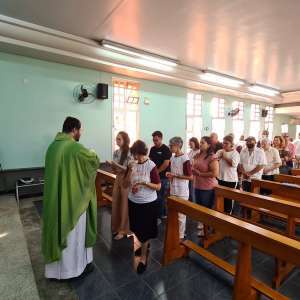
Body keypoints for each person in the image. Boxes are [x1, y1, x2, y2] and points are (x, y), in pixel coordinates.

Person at [42, 116, 100, 280]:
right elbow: (93, 161)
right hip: (73, 202)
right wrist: (94, 152)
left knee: (56, 228)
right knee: (73, 235)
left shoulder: (52, 147)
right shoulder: (75, 148)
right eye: (80, 130)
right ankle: (72, 270)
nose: (80, 133)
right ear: (74, 130)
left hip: (55, 200)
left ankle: (55, 271)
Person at [124, 140, 161, 274]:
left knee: (145, 230)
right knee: (136, 228)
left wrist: (145, 183)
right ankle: (145, 244)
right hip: (134, 201)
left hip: (148, 203)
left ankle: (144, 257)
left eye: (138, 155)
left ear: (143, 153)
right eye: (134, 155)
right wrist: (130, 170)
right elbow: (125, 184)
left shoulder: (151, 165)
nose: (136, 158)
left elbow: (158, 186)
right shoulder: (132, 164)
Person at [166, 137, 192, 240]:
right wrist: (170, 176)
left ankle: (180, 236)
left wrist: (174, 175)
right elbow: (173, 174)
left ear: (178, 146)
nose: (170, 147)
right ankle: (174, 233)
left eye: (171, 145)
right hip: (173, 188)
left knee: (181, 216)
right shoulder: (172, 158)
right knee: (173, 213)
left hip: (182, 190)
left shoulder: (185, 159)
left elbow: (190, 177)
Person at [192, 136, 219, 236]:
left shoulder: (212, 156)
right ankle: (202, 225)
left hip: (208, 187)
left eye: (203, 143)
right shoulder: (198, 155)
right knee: (199, 207)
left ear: (208, 144)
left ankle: (207, 228)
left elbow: (215, 173)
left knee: (206, 208)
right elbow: (194, 167)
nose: (200, 144)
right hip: (197, 184)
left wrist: (200, 174)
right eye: (200, 142)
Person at [109, 132, 132, 240]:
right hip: (117, 178)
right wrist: (112, 166)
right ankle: (116, 227)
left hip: (126, 179)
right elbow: (115, 169)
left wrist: (115, 165)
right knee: (116, 202)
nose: (117, 141)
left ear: (125, 140)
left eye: (119, 139)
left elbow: (128, 168)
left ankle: (123, 230)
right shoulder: (116, 152)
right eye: (116, 139)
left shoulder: (129, 152)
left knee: (124, 204)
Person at [149, 131, 172, 219]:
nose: (155, 142)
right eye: (154, 140)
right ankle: (157, 213)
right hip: (154, 176)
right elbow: (150, 161)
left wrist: (157, 172)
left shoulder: (166, 149)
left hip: (163, 177)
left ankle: (162, 214)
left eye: (156, 140)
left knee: (161, 196)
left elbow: (166, 163)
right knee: (155, 195)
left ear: (161, 139)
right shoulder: (152, 149)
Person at [216, 135, 240, 214]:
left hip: (231, 180)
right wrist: (218, 158)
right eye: (223, 143)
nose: (224, 145)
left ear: (231, 144)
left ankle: (228, 216)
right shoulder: (220, 151)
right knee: (220, 198)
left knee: (229, 200)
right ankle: (220, 216)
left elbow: (233, 165)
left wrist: (225, 156)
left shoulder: (235, 153)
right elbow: (214, 160)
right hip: (220, 178)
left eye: (226, 143)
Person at [187, 137, 200, 202]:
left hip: (194, 172)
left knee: (192, 189)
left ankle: (193, 203)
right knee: (189, 189)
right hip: (189, 171)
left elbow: (195, 163)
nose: (190, 145)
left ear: (195, 143)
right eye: (189, 144)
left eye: (191, 143)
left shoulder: (199, 151)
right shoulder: (191, 151)